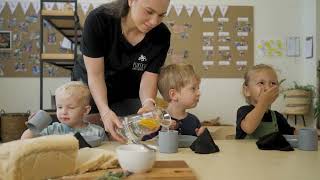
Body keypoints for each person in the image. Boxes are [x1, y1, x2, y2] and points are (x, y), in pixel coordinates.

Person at [72, 0, 171, 142]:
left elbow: (149, 77)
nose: (154, 21)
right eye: (149, 12)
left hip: (126, 89)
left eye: (161, 15)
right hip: (92, 86)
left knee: (129, 133)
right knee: (90, 135)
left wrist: (148, 103)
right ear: (131, 1)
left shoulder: (162, 35)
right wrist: (105, 112)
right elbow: (96, 75)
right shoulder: (99, 20)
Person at [21, 81, 107, 140]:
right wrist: (33, 128)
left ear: (85, 110)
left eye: (71, 107)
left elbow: (107, 151)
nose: (64, 112)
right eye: (59, 107)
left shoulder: (97, 132)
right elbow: (25, 141)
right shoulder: (53, 130)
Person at [143, 63, 205, 140]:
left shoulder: (194, 121)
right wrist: (163, 129)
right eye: (193, 88)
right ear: (173, 95)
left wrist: (201, 137)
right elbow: (146, 143)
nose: (199, 93)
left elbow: (195, 147)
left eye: (198, 88)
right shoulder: (157, 120)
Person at [236, 64, 296, 139]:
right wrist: (263, 102)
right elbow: (249, 128)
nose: (268, 88)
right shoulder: (244, 111)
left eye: (273, 83)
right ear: (247, 90)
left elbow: (291, 133)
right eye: (261, 83)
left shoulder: (277, 117)